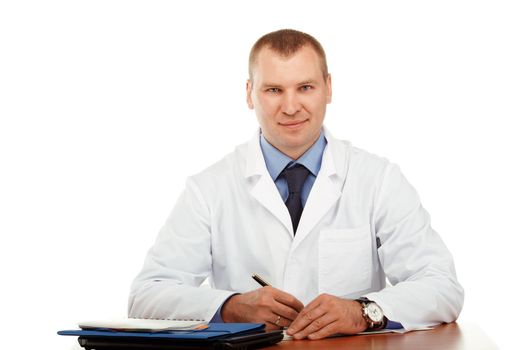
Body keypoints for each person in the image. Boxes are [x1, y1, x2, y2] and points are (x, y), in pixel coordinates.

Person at [128, 29, 464, 340]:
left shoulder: (378, 179)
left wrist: (363, 311)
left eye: (305, 87)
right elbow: (147, 295)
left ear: (328, 88)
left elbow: (442, 286)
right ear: (249, 93)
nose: (290, 107)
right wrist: (230, 307)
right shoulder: (209, 188)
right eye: (274, 89)